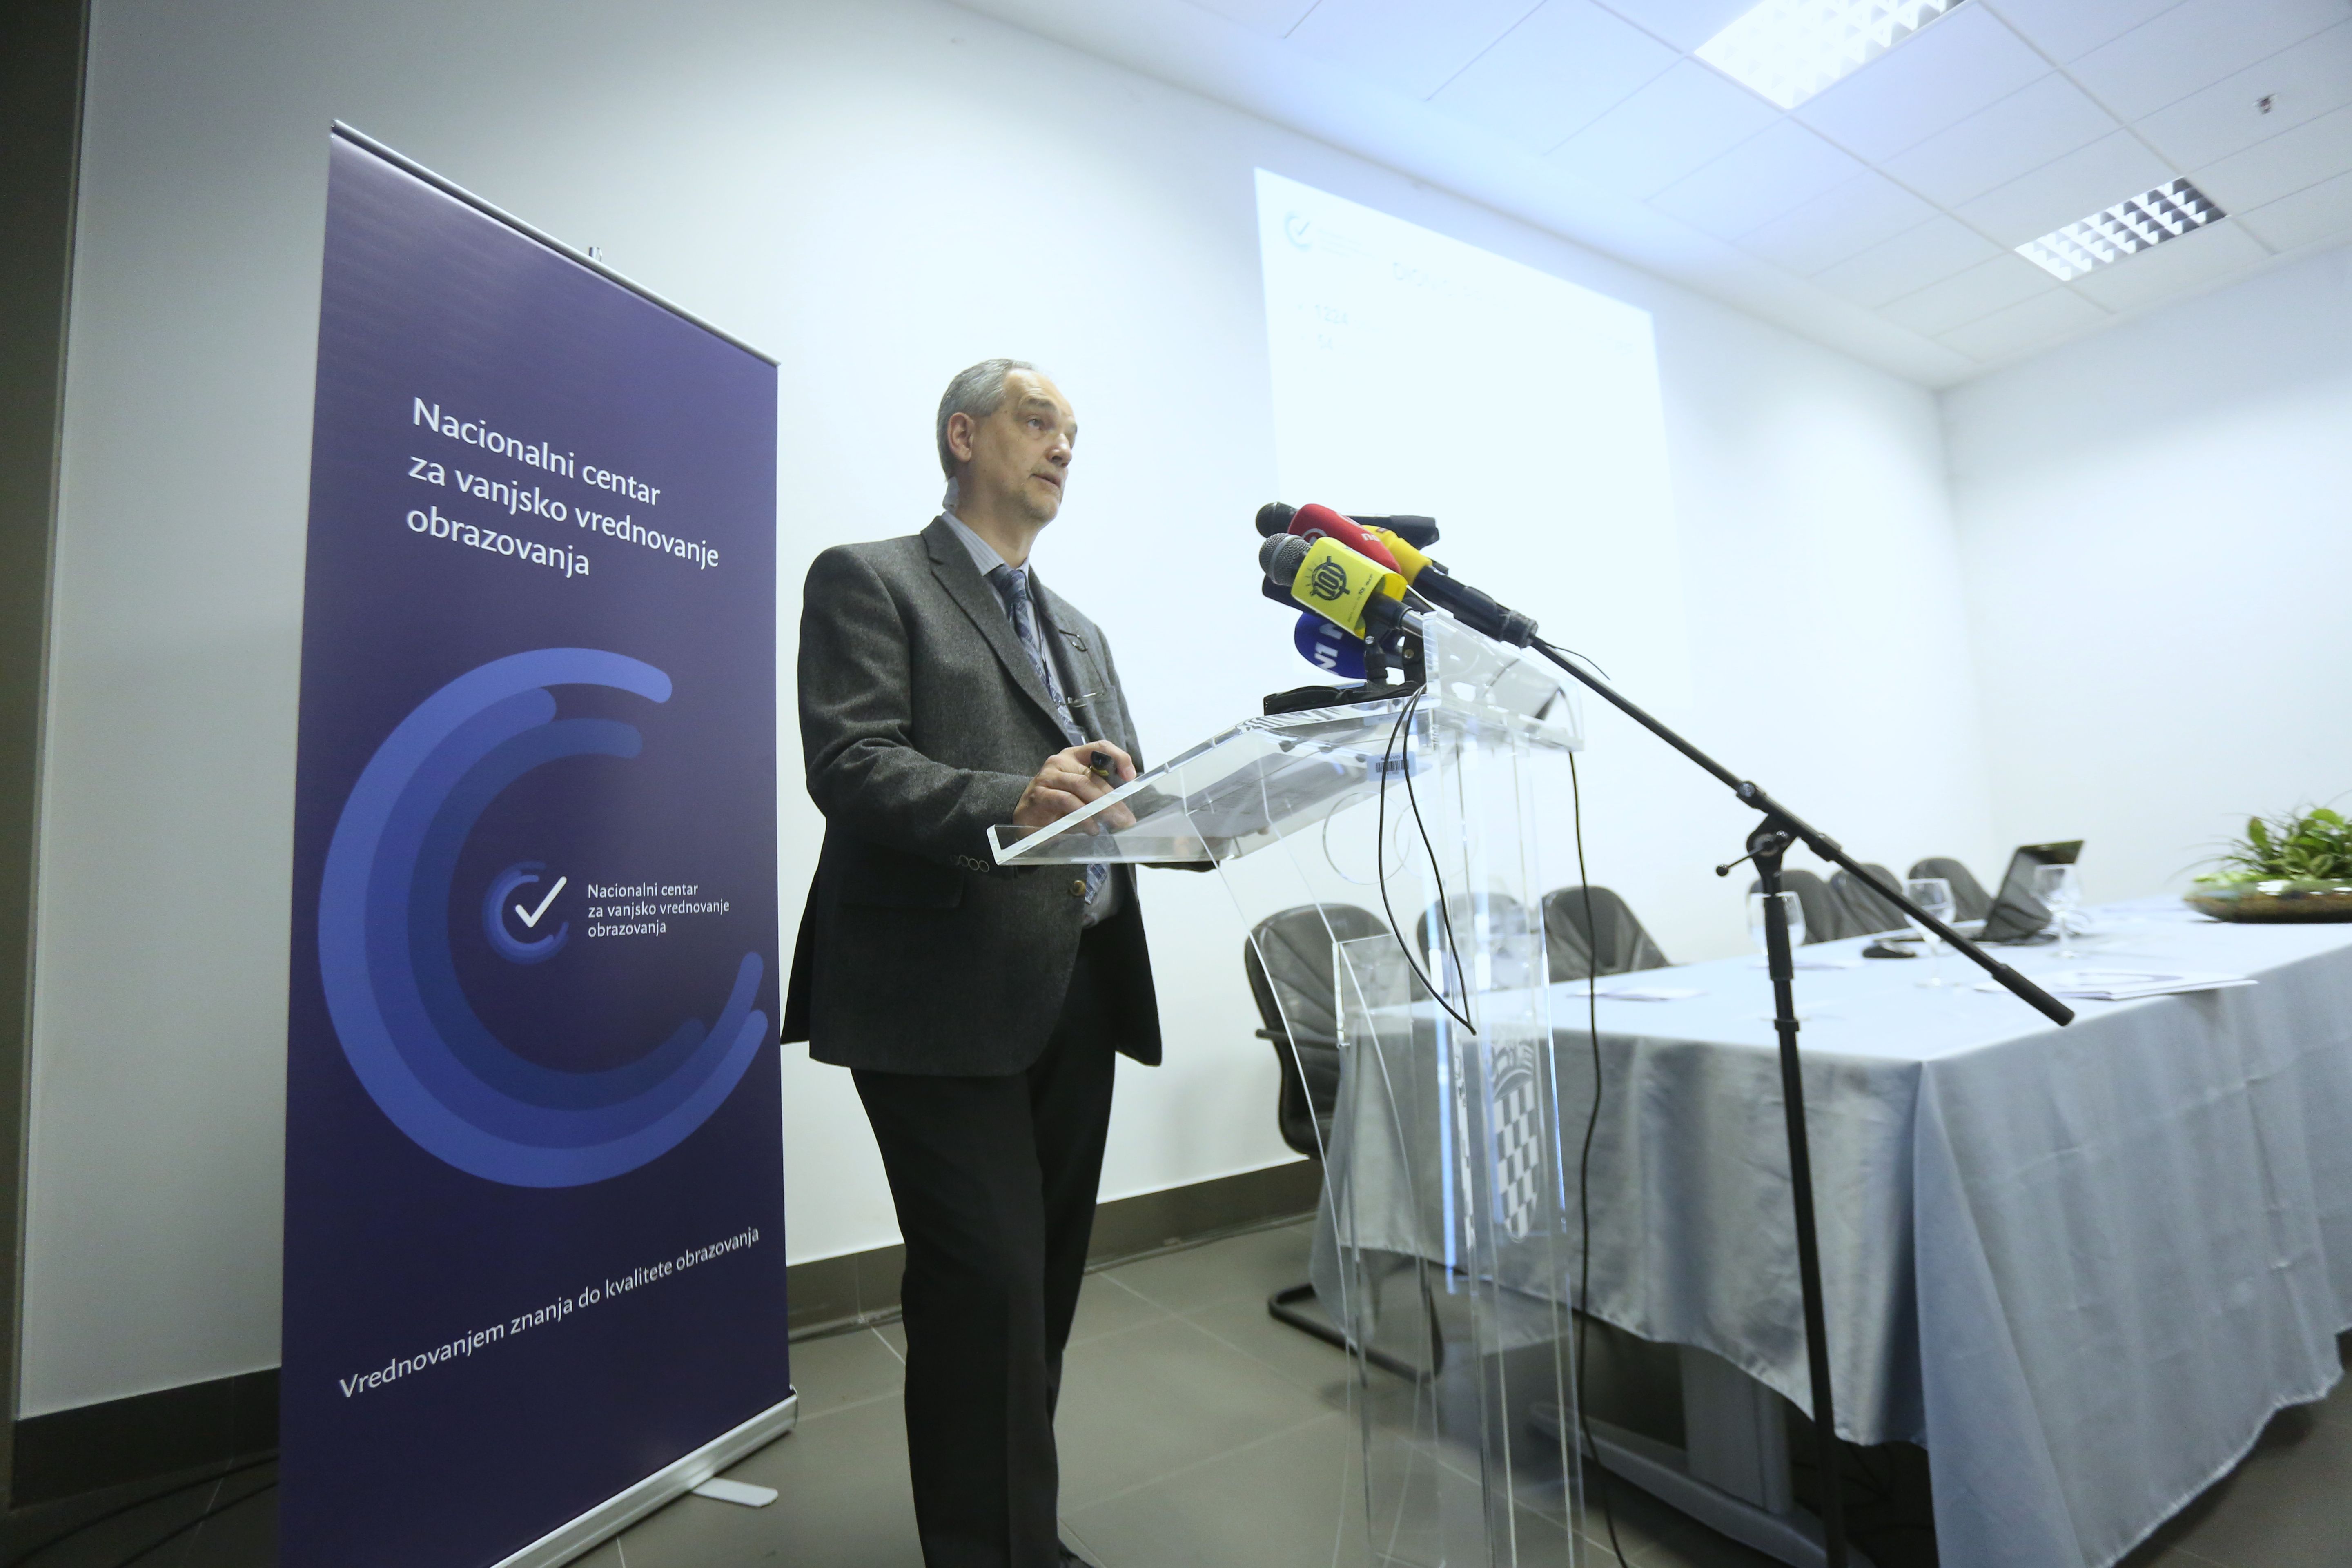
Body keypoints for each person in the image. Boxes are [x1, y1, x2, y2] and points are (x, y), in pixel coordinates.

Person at [783, 359, 1160, 1568]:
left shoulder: (1081, 630)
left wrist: (1164, 803)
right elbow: (853, 764)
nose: (1062, 446)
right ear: (963, 435)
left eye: (1073, 432)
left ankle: (1010, 1532)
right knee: (984, 1286)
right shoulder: (872, 578)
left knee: (1036, 1285)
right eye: (1038, 421)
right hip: (935, 991)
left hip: (1079, 984)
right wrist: (1012, 799)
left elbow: (1115, 793)